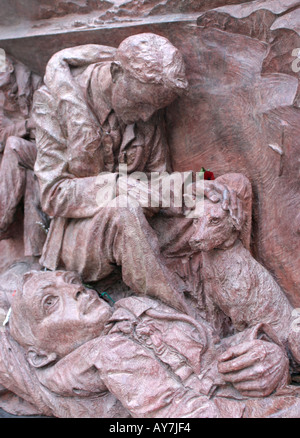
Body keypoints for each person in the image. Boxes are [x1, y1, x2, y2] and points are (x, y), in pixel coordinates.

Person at [32, 33, 226, 316]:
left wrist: (194, 186)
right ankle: (181, 314)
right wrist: (116, 186)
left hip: (141, 221)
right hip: (81, 238)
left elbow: (158, 180)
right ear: (115, 73)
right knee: (125, 210)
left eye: (154, 108)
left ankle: (234, 303)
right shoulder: (52, 101)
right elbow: (53, 195)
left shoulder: (147, 103)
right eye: (141, 104)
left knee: (228, 190)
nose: (147, 116)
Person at [3, 269, 300, 419]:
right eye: (51, 302)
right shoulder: (99, 358)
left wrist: (267, 351)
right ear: (41, 356)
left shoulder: (133, 307)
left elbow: (213, 345)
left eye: (70, 280)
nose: (76, 290)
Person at [0, 52, 47, 256]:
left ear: (9, 67)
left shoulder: (34, 82)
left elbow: (47, 121)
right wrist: (26, 125)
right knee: (30, 180)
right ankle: (36, 254)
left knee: (14, 146)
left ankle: (1, 219)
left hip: (49, 150)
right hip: (26, 159)